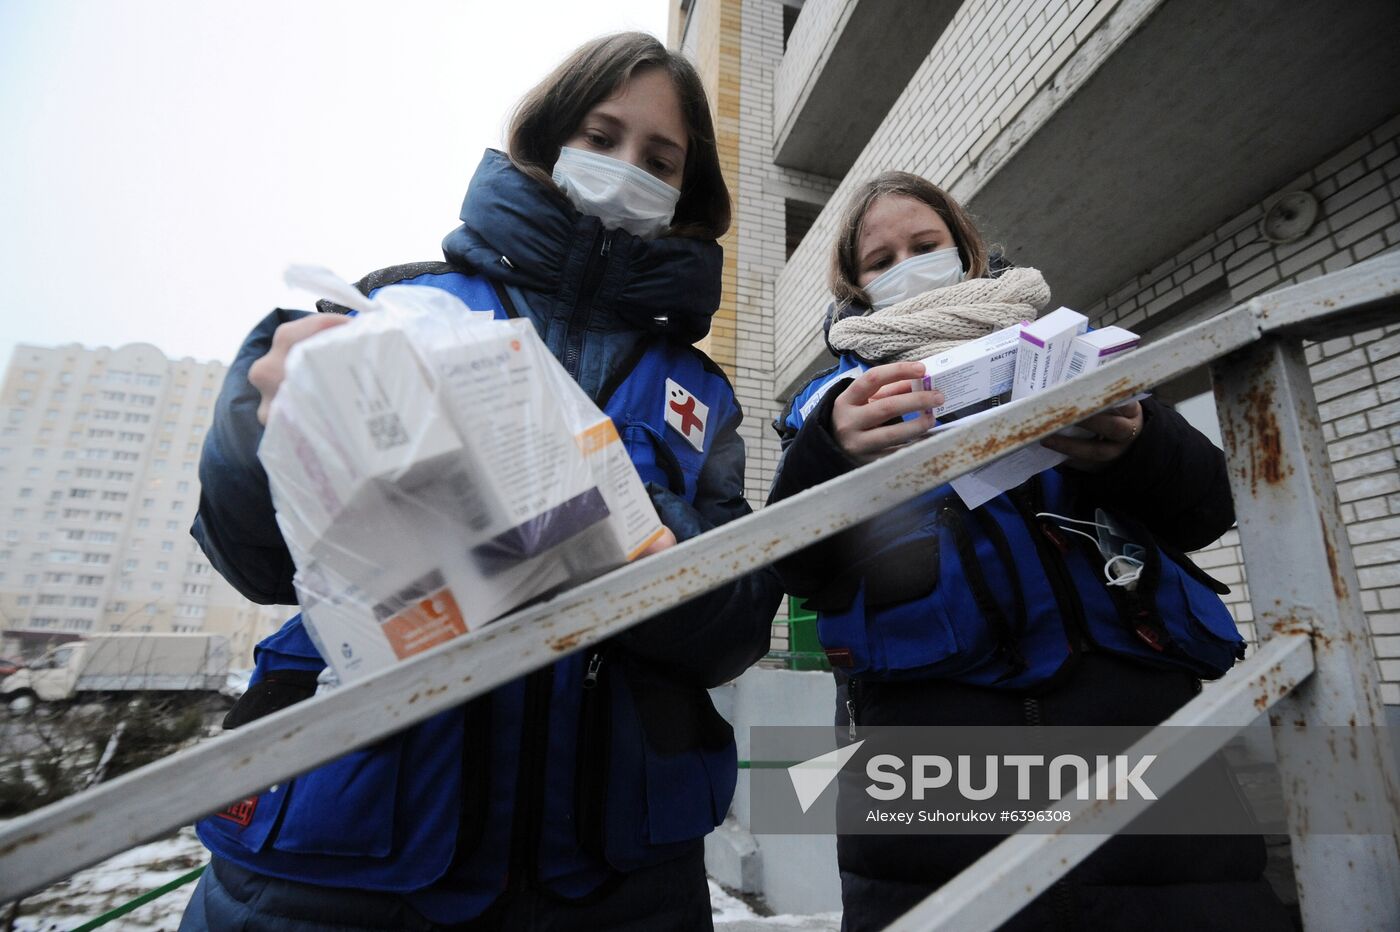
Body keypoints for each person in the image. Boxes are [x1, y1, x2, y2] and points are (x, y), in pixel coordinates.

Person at [180, 32, 781, 931]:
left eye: (660, 158)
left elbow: (731, 631)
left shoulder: (701, 391)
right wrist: (256, 422)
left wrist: (621, 519)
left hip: (618, 877)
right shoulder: (397, 305)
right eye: (601, 135)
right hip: (342, 856)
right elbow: (256, 561)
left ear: (687, 192)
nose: (627, 167)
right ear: (546, 142)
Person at [768, 172, 1291, 931]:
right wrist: (829, 457)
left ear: (968, 251)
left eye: (925, 245)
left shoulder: (1074, 353)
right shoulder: (831, 407)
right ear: (854, 286)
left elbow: (1210, 506)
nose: (907, 266)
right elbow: (797, 569)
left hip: (1131, 726)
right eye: (881, 261)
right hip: (928, 745)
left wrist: (1135, 443)